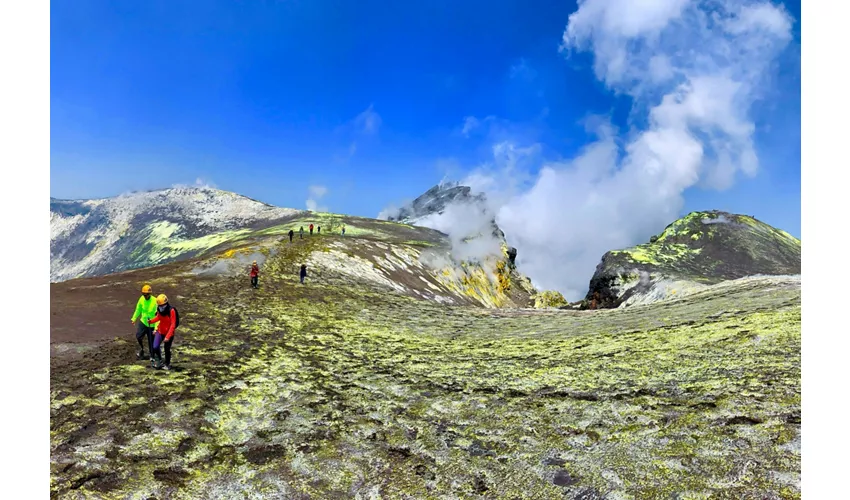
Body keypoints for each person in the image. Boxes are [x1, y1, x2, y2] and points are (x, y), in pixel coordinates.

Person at [149, 294, 178, 370]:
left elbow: (173, 324)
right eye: (160, 306)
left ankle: (167, 364)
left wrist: (168, 336)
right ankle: (160, 361)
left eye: (162, 305)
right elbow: (158, 317)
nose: (161, 307)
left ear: (166, 303)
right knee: (155, 346)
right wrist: (151, 321)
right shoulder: (159, 309)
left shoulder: (171, 311)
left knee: (166, 349)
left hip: (169, 333)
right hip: (160, 331)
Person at [131, 284, 157, 360]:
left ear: (150, 294)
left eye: (146, 294)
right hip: (143, 322)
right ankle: (142, 349)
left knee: (151, 342)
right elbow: (138, 309)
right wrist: (134, 318)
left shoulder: (155, 301)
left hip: (152, 325)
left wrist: (156, 328)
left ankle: (152, 356)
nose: (145, 296)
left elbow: (158, 316)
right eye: (143, 294)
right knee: (138, 336)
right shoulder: (141, 299)